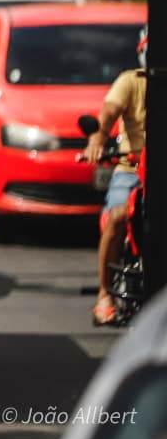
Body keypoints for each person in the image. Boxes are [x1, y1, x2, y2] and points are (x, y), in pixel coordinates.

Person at [84, 27, 147, 326]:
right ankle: (104, 293)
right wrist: (98, 138)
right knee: (118, 216)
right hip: (131, 170)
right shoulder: (130, 81)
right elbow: (108, 112)